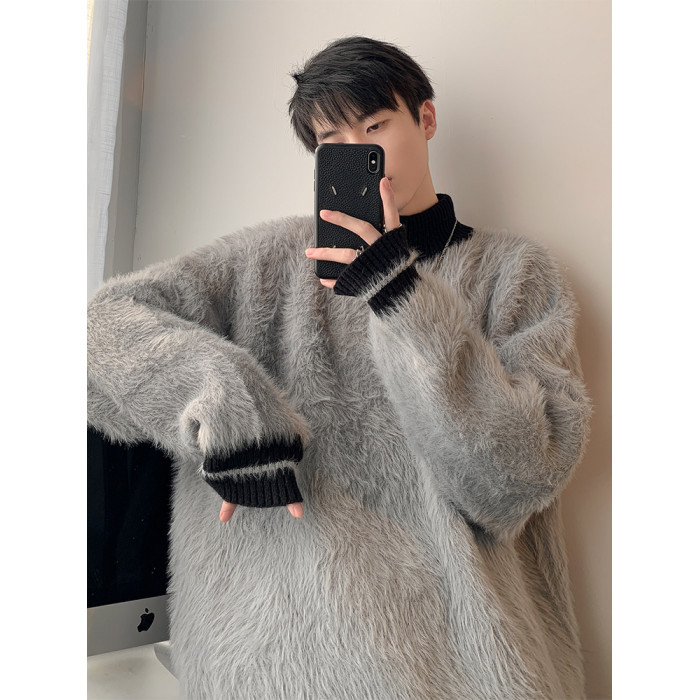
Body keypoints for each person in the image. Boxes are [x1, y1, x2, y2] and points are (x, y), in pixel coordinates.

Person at [87, 36, 591, 699]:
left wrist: (398, 291)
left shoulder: (513, 272)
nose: (357, 151)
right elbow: (100, 329)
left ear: (425, 118)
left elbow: (517, 476)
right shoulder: (263, 263)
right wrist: (225, 403)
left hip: (465, 666)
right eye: (332, 139)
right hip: (275, 664)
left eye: (374, 127)